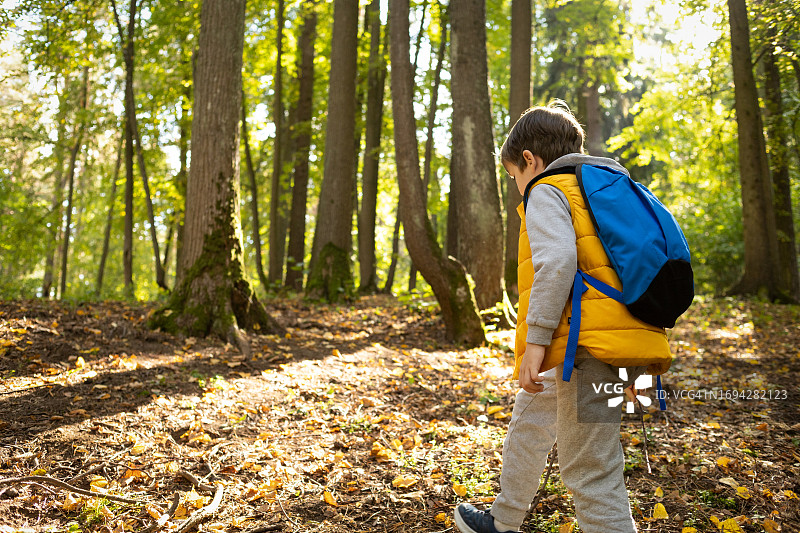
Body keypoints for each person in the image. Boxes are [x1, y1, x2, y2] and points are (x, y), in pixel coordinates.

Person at [453, 101, 671, 533]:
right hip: (606, 344)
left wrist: (535, 342)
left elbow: (556, 264)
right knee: (530, 417)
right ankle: (504, 519)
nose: (517, 185)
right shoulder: (599, 187)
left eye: (514, 175)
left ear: (529, 161)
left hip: (587, 351)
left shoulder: (546, 191)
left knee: (592, 469)